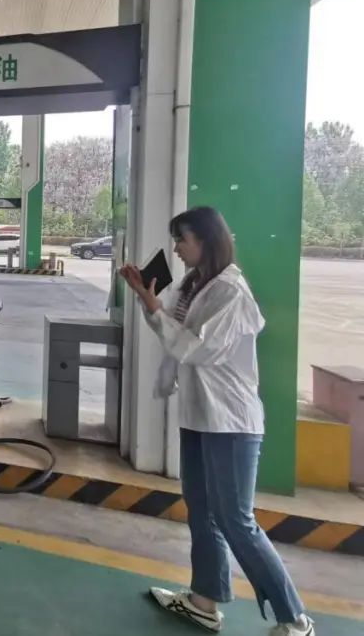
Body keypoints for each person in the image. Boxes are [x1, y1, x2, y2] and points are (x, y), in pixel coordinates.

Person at [121, 207, 313, 636]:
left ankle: (295, 618)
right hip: (199, 416)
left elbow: (195, 348)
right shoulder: (195, 284)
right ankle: (203, 602)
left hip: (230, 421)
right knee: (203, 510)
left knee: (236, 520)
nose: (176, 248)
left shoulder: (231, 292)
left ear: (206, 241)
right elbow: (173, 329)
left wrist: (152, 306)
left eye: (182, 239)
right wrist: (146, 298)